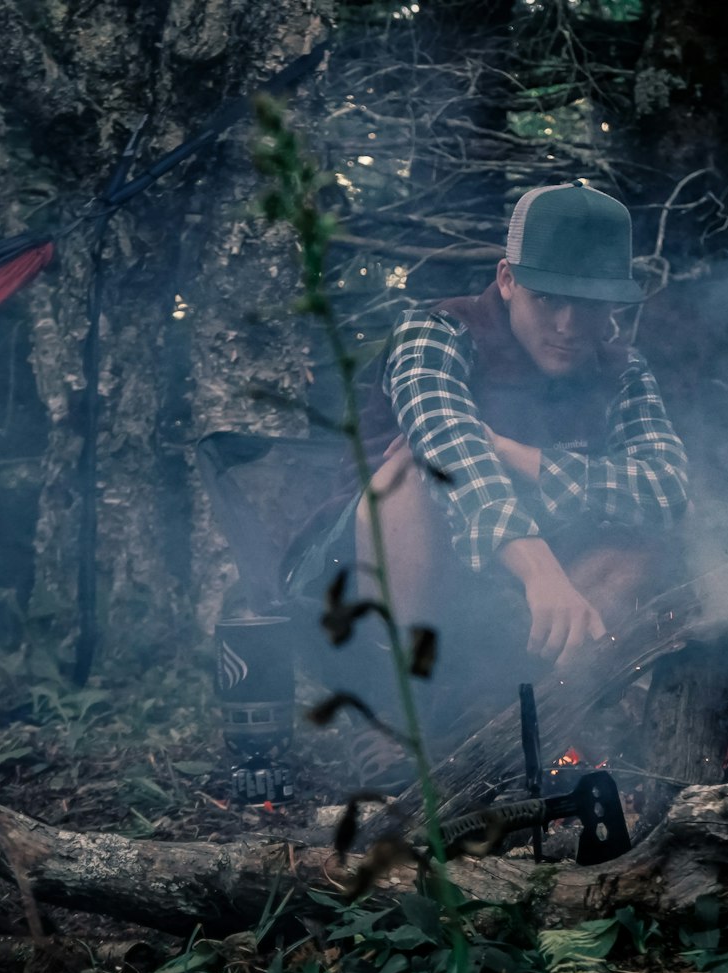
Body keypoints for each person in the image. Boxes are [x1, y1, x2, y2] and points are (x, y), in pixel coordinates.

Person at [286, 181, 688, 749]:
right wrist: (539, 568)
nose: (569, 326)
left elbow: (666, 491)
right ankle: (399, 723)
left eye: (590, 305)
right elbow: (449, 449)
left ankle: (543, 714)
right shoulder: (433, 335)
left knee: (639, 544)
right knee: (412, 476)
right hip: (354, 596)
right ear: (506, 280)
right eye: (548, 298)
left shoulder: (623, 370)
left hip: (503, 605)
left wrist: (520, 456)